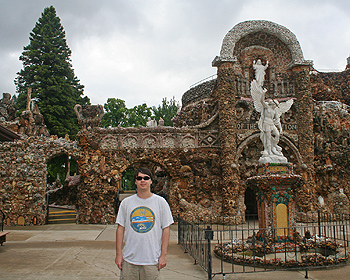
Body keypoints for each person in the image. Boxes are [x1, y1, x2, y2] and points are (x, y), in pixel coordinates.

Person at [115, 167, 174, 280]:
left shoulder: (161, 202)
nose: (143, 180)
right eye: (139, 178)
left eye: (146, 178)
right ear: (135, 181)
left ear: (151, 181)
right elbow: (120, 229)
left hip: (151, 260)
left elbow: (166, 229)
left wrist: (163, 255)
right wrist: (118, 254)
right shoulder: (126, 203)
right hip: (129, 260)